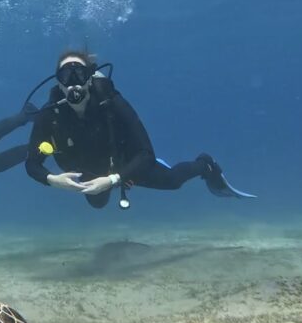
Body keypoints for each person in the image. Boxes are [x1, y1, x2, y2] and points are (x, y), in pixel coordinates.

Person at [25, 50, 255, 210]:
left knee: (173, 182)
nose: (74, 82)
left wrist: (115, 178)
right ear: (59, 83)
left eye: (80, 74)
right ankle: (106, 185)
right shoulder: (50, 114)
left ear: (89, 79)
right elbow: (32, 164)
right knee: (97, 203)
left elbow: (146, 154)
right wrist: (54, 180)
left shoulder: (111, 102)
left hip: (124, 164)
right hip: (90, 172)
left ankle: (205, 165)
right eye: (66, 75)